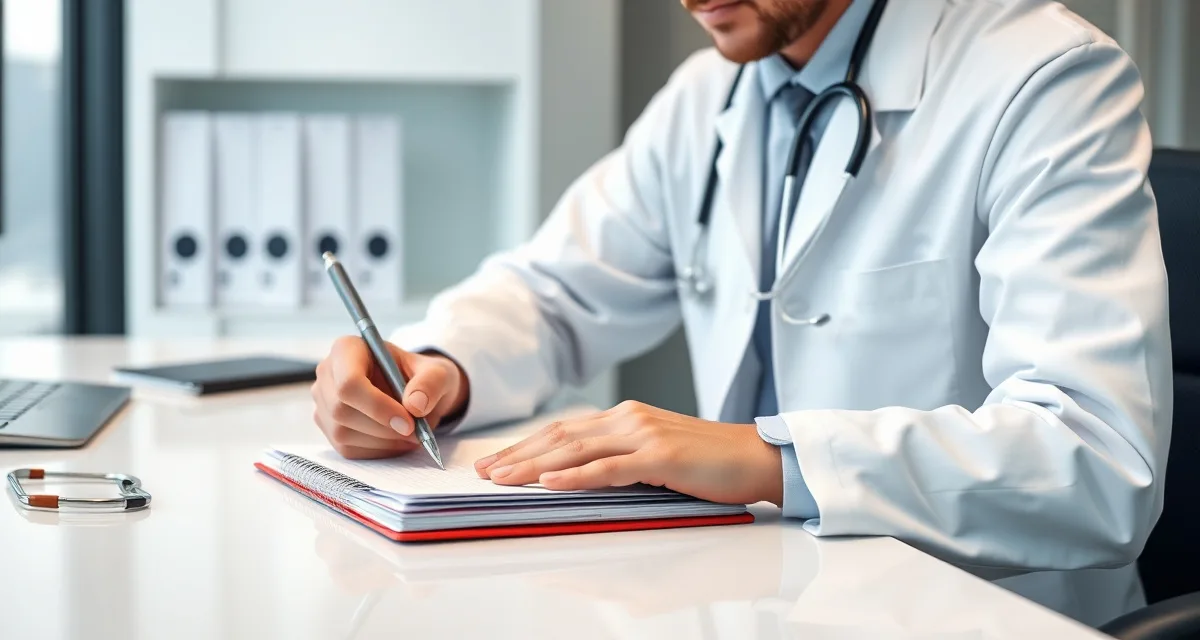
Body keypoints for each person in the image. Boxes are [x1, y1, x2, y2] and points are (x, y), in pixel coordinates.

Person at [310, 0, 1172, 571]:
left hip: (971, 609)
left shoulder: (1045, 78)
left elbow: (1091, 460)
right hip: (749, 591)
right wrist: (435, 367)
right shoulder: (709, 95)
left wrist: (768, 459)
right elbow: (556, 291)